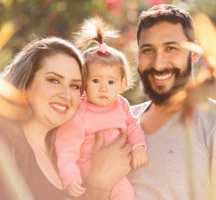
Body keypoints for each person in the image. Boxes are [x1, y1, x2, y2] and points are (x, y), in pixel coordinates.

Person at [0, 37, 132, 200]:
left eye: (75, 86)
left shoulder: (69, 156)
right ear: (26, 82)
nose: (66, 94)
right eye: (53, 80)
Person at [128, 4, 216, 200]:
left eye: (171, 48)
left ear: (194, 53)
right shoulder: (122, 120)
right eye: (148, 50)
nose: (158, 63)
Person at [55, 17, 148, 199]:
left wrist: (139, 146)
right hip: (90, 171)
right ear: (83, 83)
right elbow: (66, 146)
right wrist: (70, 175)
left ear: (121, 84)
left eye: (110, 82)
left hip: (118, 171)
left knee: (127, 194)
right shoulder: (80, 112)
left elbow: (133, 126)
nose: (103, 87)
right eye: (96, 80)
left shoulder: (121, 104)